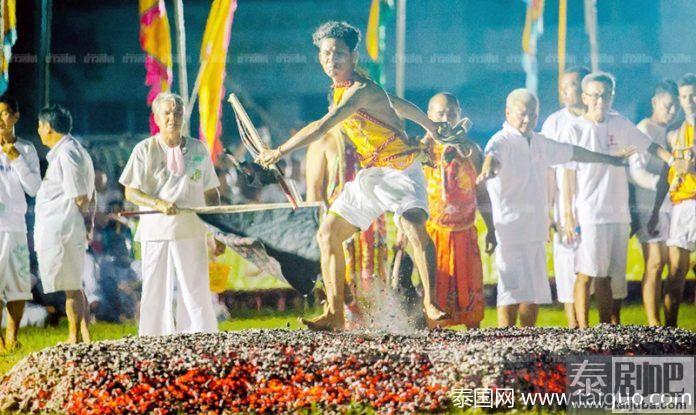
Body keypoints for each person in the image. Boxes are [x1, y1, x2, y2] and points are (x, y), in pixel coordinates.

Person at [258, 21, 447, 330]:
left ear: (354, 56)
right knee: (327, 234)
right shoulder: (345, 88)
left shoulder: (360, 90)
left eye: (339, 54)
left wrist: (277, 152)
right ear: (319, 57)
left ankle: (430, 302)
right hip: (372, 174)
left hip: (401, 169)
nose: (332, 60)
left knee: (413, 225)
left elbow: (321, 126)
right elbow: (396, 103)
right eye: (326, 53)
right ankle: (334, 313)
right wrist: (429, 125)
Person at [478, 88, 634, 328]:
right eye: (522, 114)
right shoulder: (501, 140)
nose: (528, 119)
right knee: (509, 291)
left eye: (533, 114)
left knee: (532, 292)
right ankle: (504, 338)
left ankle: (527, 340)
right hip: (510, 231)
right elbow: (492, 156)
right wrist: (488, 167)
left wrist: (609, 159)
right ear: (508, 112)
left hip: (536, 232)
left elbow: (574, 153)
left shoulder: (540, 142)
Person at [559, 72, 678, 328]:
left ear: (612, 96)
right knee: (587, 273)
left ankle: (606, 329)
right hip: (590, 213)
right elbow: (567, 176)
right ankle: (582, 329)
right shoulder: (575, 129)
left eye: (606, 95)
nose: (601, 100)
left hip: (618, 214)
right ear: (585, 97)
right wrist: (568, 214)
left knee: (609, 277)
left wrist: (671, 160)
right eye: (595, 95)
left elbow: (648, 146)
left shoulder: (620, 123)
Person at [120, 92, 223, 336]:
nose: (172, 117)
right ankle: (153, 336)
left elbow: (211, 193)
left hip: (191, 229)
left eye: (177, 112)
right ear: (156, 117)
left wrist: (217, 230)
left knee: (195, 285)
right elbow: (130, 192)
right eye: (166, 112)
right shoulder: (144, 149)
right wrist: (157, 203)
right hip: (156, 230)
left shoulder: (198, 149)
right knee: (155, 287)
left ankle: (201, 334)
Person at [422, 92, 495, 328]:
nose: (446, 118)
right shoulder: (422, 151)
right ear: (429, 117)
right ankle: (434, 352)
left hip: (465, 233)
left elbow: (481, 192)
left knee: (470, 292)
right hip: (433, 235)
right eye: (440, 114)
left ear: (459, 116)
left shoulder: (471, 150)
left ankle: (475, 348)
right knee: (436, 297)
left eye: (451, 114)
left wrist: (491, 228)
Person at [35, 105, 95, 344]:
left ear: (48, 127)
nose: (38, 131)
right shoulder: (73, 150)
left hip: (64, 229)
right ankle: (83, 336)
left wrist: (82, 224)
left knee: (71, 286)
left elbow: (81, 196)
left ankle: (74, 337)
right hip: (67, 228)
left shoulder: (67, 153)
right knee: (74, 284)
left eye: (40, 126)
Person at [540, 66, 590, 328]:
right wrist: (550, 210)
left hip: (594, 205)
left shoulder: (598, 120)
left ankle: (604, 328)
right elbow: (548, 171)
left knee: (594, 269)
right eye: (562, 86)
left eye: (571, 85)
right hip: (565, 207)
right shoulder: (554, 123)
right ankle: (574, 327)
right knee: (568, 267)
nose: (565, 91)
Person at [648, 73, 696, 327]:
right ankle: (671, 332)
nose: (690, 101)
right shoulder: (674, 135)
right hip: (683, 207)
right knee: (676, 270)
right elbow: (665, 178)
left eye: (693, 95)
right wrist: (655, 210)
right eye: (685, 97)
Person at [632, 81, 679, 326]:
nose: (672, 112)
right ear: (654, 103)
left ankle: (670, 321)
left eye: (676, 107)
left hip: (673, 205)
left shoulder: (677, 132)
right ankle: (653, 322)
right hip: (648, 204)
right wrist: (661, 185)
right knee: (655, 261)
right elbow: (635, 171)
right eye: (668, 106)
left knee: (675, 263)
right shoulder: (644, 130)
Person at [0, 95, 41, 352]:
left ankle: (12, 338)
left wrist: (14, 157)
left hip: (15, 227)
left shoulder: (26, 150)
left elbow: (35, 188)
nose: (0, 120)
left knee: (17, 287)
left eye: (4, 113)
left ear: (15, 116)